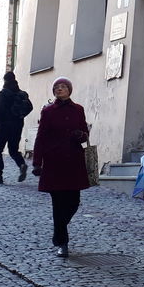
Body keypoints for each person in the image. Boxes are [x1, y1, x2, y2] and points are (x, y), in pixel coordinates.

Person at [31, 76, 90, 258]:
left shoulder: (78, 110)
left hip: (73, 160)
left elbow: (85, 133)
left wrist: (80, 135)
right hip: (54, 161)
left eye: (63, 86)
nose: (59, 89)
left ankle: (60, 228)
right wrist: (37, 162)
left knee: (74, 202)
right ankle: (62, 242)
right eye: (57, 87)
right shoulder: (48, 112)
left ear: (69, 90)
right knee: (58, 204)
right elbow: (41, 137)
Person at [0, 71, 32, 184]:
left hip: (4, 125)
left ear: (5, 80)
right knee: (13, 150)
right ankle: (21, 164)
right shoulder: (22, 94)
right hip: (17, 125)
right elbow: (29, 107)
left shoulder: (3, 93)